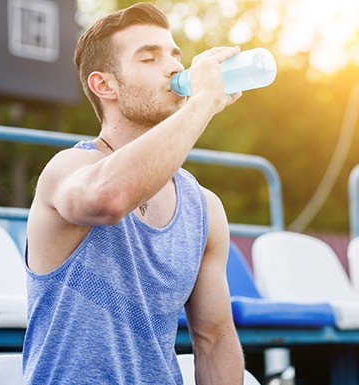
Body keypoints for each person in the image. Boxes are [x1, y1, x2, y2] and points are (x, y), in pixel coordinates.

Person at [22, 2, 244, 384]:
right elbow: (110, 197)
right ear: (104, 84)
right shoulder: (67, 171)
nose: (175, 67)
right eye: (150, 58)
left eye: (175, 54)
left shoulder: (204, 207)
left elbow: (214, 339)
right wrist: (204, 103)